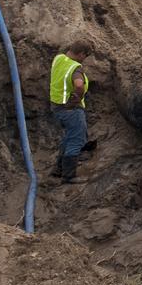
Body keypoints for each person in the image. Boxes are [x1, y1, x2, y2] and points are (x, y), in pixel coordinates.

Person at [49, 40, 93, 184]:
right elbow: (79, 85)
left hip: (57, 107)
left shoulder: (59, 58)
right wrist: (77, 99)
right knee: (76, 140)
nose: (84, 59)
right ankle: (69, 176)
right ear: (80, 54)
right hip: (71, 110)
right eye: (85, 56)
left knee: (68, 137)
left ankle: (58, 169)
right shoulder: (76, 69)